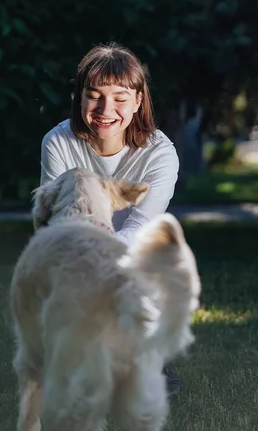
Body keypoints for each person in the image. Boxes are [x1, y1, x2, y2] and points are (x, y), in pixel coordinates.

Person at [40, 42, 181, 396]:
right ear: (80, 98)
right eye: (94, 95)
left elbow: (139, 226)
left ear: (138, 101)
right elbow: (60, 221)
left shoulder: (160, 153)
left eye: (120, 97)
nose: (106, 109)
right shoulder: (58, 142)